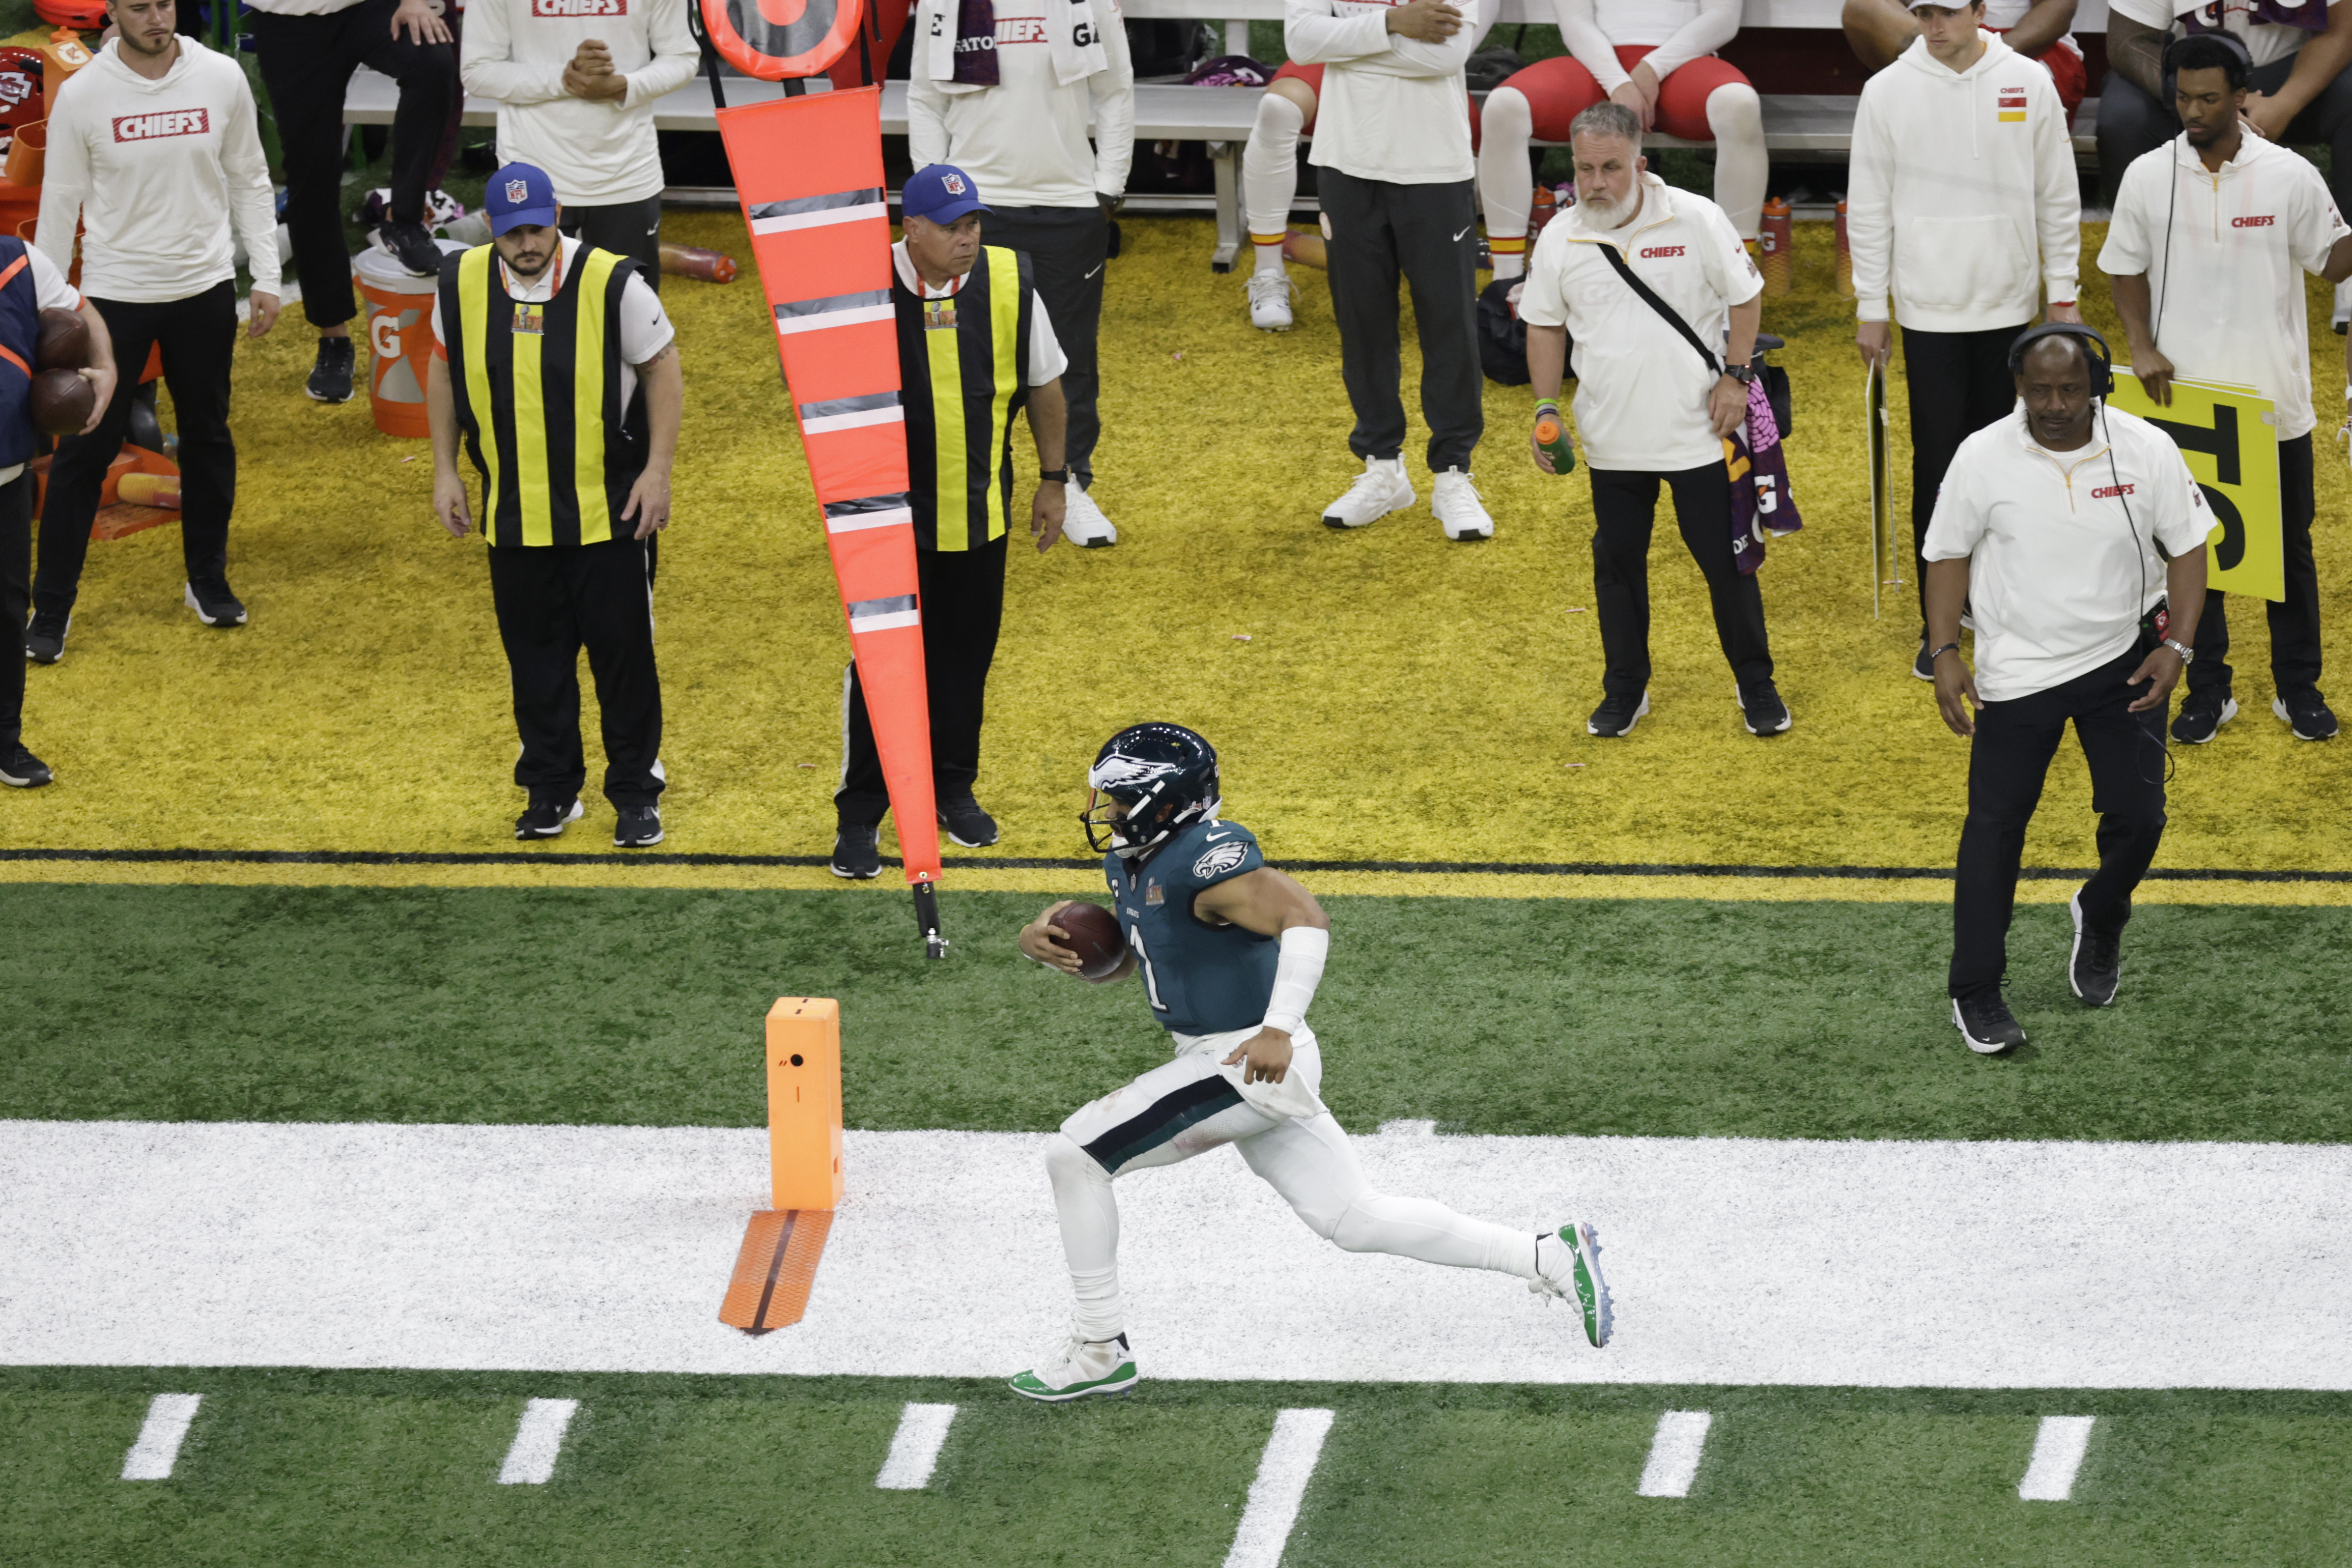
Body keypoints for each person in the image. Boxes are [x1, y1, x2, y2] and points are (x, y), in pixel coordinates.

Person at [1007, 721, 1610, 1402]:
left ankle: (1098, 1348)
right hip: (1228, 1056)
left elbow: (1305, 918)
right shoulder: (1135, 862)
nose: (1108, 811)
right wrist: (1040, 943)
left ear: (1164, 801)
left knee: (1076, 1155)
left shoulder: (1205, 858)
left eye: (1119, 798)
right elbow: (1143, 963)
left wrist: (1278, 1029)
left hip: (1247, 1059)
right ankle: (1547, 1254)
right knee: (1352, 1218)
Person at [1924, 326, 2211, 1053]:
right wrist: (1945, 649)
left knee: (2140, 818)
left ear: (2098, 386)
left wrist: (2177, 646)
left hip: (2124, 663)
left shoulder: (2146, 448)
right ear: (2017, 387)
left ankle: (2101, 911)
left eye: (2071, 389)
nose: (2055, 405)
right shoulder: (1980, 456)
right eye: (2039, 391)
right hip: (2017, 672)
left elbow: (2188, 546)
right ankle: (1975, 990)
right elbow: (1947, 554)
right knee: (1993, 830)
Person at [426, 163, 682, 848]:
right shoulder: (459, 283)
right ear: (492, 228)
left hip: (608, 514)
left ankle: (635, 792)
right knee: (535, 665)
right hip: (513, 516)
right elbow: (444, 367)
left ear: (558, 216)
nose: (527, 245)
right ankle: (550, 790)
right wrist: (444, 470)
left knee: (623, 662)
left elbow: (662, 366)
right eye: (513, 234)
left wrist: (657, 472)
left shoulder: (613, 281)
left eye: (538, 230)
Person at [2105, 34, 2351, 745]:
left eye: (2209, 99)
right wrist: (2140, 346)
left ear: (2241, 96)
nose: (2193, 111)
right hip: (2183, 407)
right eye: (2183, 98)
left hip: (2275, 405)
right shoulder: (2148, 175)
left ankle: (2298, 689)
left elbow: (2333, 264)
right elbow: (2123, 265)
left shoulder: (2288, 175)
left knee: (2288, 555)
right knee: (2189, 552)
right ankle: (2207, 690)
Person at [830, 165, 1071, 879]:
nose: (967, 239)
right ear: (910, 228)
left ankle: (951, 788)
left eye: (973, 225)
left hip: (978, 511)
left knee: (966, 659)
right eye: (951, 227)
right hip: (885, 523)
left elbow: (1045, 383)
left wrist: (1054, 479)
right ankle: (860, 812)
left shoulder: (1009, 282)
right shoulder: (860, 287)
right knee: (883, 667)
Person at [1519, 102, 1788, 740]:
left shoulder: (1696, 218)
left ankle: (1756, 684)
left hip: (1698, 436)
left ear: (1640, 164)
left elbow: (1746, 296)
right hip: (1610, 442)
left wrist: (1736, 376)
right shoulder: (1560, 237)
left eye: (1611, 168)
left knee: (1726, 566)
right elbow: (1544, 325)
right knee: (1616, 569)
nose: (1596, 183)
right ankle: (1624, 689)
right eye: (1584, 169)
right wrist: (1545, 409)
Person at [25, 0, 280, 665]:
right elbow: (59, 202)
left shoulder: (220, 76)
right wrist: (43, 307)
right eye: (139, 7)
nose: (155, 18)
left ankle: (208, 582)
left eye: (164, 3)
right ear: (112, 12)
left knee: (208, 436)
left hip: (205, 290)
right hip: (116, 297)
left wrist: (267, 275)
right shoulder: (83, 95)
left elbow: (250, 177)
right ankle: (51, 608)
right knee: (84, 451)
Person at [1849, 0, 2081, 679]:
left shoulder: (2029, 82)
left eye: (1947, 12)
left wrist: (2063, 291)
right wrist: (1872, 306)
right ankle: (1941, 624)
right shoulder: (1886, 91)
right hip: (1928, 312)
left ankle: (2001, 601)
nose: (1933, 26)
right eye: (1923, 12)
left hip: (2009, 306)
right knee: (1938, 467)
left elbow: (2057, 192)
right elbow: (1869, 204)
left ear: (1981, 10)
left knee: (2011, 461)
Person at [907, 0, 1128, 548]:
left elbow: (1116, 91)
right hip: (974, 208)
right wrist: (938, 192)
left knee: (1070, 359)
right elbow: (924, 98)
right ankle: (974, 488)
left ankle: (1070, 482)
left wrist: (1107, 187)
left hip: (1069, 206)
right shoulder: (944, 3)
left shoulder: (1087, 3)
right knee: (968, 361)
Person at [1285, 0, 1494, 539]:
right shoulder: (1392, 20)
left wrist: (1346, 45)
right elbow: (1301, 43)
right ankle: (1382, 467)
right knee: (1362, 324)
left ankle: (1452, 473)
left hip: (1434, 164)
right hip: (1345, 159)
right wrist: (1392, 24)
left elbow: (1445, 57)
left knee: (1448, 325)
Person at [246, 0, 457, 404]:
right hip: (286, 20)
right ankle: (334, 339)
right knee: (311, 175)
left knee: (432, 61)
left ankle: (403, 220)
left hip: (365, 7)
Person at [2098, 0, 2352, 326]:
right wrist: (2202, 98)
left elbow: (2341, 31)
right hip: (2190, 72)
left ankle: (2347, 265)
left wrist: (2285, 104)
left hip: (2291, 71)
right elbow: (2128, 42)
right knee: (2123, 118)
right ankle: (2147, 270)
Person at [1239, 8, 1494, 330]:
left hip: (1420, 65)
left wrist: (1355, 44)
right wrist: (1388, 26)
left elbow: (1453, 48)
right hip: (1345, 55)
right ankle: (1268, 269)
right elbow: (1304, 38)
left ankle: (1477, 275)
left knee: (1466, 141)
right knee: (1278, 109)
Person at [1478, 0, 1764, 282]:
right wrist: (1617, 81)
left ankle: (1739, 273)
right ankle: (1506, 278)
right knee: (1504, 107)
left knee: (1739, 105)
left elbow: (1723, 16)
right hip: (1595, 64)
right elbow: (1575, 20)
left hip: (1684, 64)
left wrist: (1653, 68)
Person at [459, 0, 699, 287]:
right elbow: (476, 71)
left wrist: (624, 86)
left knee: (627, 306)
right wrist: (564, 79)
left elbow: (682, 57)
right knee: (533, 308)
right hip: (532, 173)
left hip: (627, 172)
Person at [2, 242, 118, 787]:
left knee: (8, 612)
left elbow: (80, 310)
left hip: (7, 478)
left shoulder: (19, 261)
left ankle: (4, 741)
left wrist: (106, 367)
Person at [1842, 0, 2085, 122]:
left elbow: (2059, 7)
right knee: (1863, 7)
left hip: (2029, 49)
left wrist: (1992, 58)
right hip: (1944, 43)